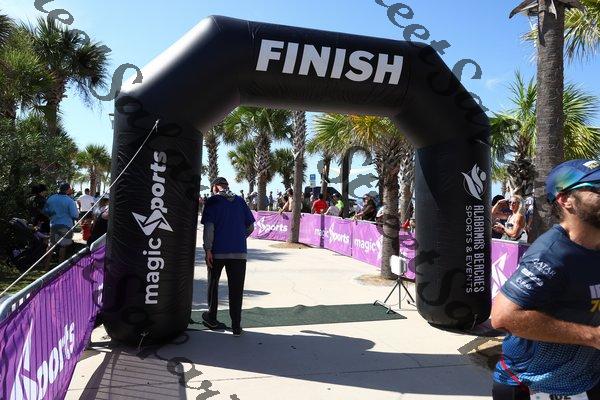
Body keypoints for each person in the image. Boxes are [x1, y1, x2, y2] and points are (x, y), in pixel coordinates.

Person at [490, 159, 600, 400]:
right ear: (565, 199)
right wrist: (592, 336)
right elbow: (503, 316)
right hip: (533, 385)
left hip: (586, 380)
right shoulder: (551, 254)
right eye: (597, 187)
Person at [201, 177, 255, 336]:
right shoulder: (240, 201)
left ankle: (212, 318)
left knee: (213, 284)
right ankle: (236, 326)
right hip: (239, 253)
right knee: (236, 289)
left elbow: (209, 228)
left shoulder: (212, 201)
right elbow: (250, 226)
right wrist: (238, 237)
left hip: (217, 252)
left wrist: (208, 249)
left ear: (215, 187)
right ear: (227, 186)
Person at [43, 182, 79, 266]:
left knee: (51, 245)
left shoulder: (51, 198)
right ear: (68, 190)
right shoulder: (70, 201)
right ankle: (60, 267)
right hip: (66, 225)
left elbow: (45, 211)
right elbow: (75, 215)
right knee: (63, 246)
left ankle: (46, 266)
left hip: (54, 224)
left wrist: (52, 216)